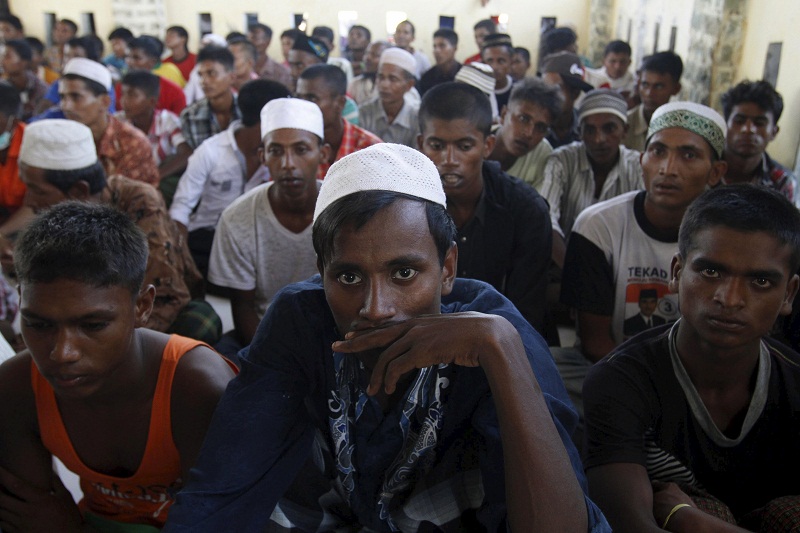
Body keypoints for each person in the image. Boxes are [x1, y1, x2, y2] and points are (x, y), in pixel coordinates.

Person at [162, 142, 611, 532]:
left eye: (404, 273)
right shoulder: (301, 319)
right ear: (321, 273)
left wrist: (502, 352)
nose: (376, 308)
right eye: (349, 276)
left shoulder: (495, 332)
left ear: (448, 268)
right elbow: (224, 485)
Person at [0, 200, 237, 531]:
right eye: (39, 325)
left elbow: (221, 523)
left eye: (93, 325)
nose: (62, 353)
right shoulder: (17, 387)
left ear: (143, 306)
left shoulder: (199, 389)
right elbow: (28, 515)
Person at [583, 185, 800, 532]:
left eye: (760, 281)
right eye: (711, 272)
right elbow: (632, 526)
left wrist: (690, 519)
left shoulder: (794, 382)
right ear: (676, 272)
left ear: (788, 294)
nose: (729, 299)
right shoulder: (619, 382)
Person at [557, 102, 727, 428]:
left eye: (688, 155)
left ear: (715, 172)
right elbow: (594, 342)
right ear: (641, 160)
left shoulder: (731, 237)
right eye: (658, 152)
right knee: (541, 370)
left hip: (699, 377)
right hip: (614, 366)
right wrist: (654, 393)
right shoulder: (598, 226)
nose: (668, 169)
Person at [18, 119, 222, 344]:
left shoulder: (139, 202)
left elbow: (163, 297)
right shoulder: (57, 219)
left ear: (78, 191)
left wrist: (102, 342)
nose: (29, 201)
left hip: (138, 318)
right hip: (85, 314)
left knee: (200, 322)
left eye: (37, 191)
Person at [418, 82, 553, 340]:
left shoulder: (526, 210)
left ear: (488, 145)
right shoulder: (406, 208)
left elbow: (526, 315)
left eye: (464, 147)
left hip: (505, 343)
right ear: (420, 144)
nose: (449, 160)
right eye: (436, 145)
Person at [207, 97, 328, 358]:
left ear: (323, 154)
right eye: (276, 151)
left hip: (332, 336)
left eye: (301, 150)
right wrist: (272, 360)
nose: (288, 163)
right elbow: (243, 308)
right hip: (265, 335)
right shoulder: (237, 218)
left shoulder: (342, 212)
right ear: (263, 156)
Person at [170, 79, 290, 278]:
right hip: (207, 239)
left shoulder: (281, 156)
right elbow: (180, 209)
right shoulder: (211, 151)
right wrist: (182, 257)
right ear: (268, 120)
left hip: (255, 241)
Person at [540, 88, 642, 268]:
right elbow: (546, 218)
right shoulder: (562, 161)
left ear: (624, 131)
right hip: (563, 266)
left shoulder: (638, 167)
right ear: (579, 132)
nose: (599, 139)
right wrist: (574, 271)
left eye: (609, 128)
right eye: (590, 130)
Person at [61, 57, 160, 186]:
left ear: (104, 102)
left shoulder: (131, 142)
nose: (66, 106)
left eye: (76, 97)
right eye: (62, 97)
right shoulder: (62, 138)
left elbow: (128, 196)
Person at [720, 79, 800, 207]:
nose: (748, 129)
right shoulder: (704, 168)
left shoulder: (782, 181)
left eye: (759, 123)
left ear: (774, 132)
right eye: (739, 120)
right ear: (725, 125)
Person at [296, 64, 381, 179]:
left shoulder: (370, 149)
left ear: (340, 103)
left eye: (312, 98)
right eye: (298, 98)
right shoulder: (293, 148)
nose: (302, 106)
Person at [117, 70, 192, 185]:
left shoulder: (167, 121)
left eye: (132, 95)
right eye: (123, 94)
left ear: (152, 101)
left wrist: (155, 177)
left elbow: (186, 154)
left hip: (157, 180)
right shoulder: (118, 122)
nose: (124, 101)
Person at [488, 76, 561, 190]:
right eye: (523, 119)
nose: (529, 133)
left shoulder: (542, 153)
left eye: (540, 127)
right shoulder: (476, 140)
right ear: (504, 115)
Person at [180, 45, 239, 151]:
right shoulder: (190, 115)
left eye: (211, 74)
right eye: (200, 75)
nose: (204, 81)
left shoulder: (249, 110)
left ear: (232, 77)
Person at [358, 48, 419, 147]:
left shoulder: (416, 117)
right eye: (381, 77)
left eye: (393, 79)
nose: (384, 85)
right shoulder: (364, 113)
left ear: (409, 85)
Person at [623, 51, 683, 152]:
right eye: (645, 85)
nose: (649, 93)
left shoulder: (682, 130)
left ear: (676, 89)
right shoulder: (624, 126)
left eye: (658, 86)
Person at [540, 50, 595, 148]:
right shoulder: (532, 127)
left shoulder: (588, 128)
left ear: (575, 93)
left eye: (556, 89)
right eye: (544, 88)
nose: (547, 95)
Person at [1, 39, 48, 122]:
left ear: (23, 62)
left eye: (8, 57)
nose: (2, 61)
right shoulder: (3, 87)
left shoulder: (41, 89)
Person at [247, 22, 293, 90]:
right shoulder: (242, 70)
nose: (250, 43)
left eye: (255, 38)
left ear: (268, 41)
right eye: (248, 39)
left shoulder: (282, 72)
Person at [418, 28, 460, 96]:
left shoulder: (464, 76)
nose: (437, 51)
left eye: (442, 46)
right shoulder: (427, 78)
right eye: (435, 46)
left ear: (454, 49)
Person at [480, 33, 515, 111]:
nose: (495, 67)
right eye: (490, 61)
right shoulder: (477, 92)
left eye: (501, 61)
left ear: (511, 62)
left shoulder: (520, 92)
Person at [347, 40, 389, 104]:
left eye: (375, 55)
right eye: (366, 53)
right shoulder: (355, 84)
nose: (367, 58)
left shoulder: (391, 87)